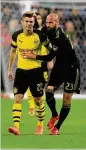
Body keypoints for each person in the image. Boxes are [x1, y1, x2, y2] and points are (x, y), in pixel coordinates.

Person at [21, 13, 80, 135]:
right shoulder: (45, 30)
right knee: (48, 93)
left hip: (71, 68)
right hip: (59, 66)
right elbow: (37, 33)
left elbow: (49, 57)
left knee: (66, 99)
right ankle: (54, 114)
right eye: (47, 22)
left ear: (57, 23)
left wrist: (33, 56)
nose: (48, 25)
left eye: (51, 22)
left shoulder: (61, 38)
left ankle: (57, 127)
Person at [8, 13, 52, 135]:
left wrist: (40, 57)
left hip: (36, 72)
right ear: (22, 22)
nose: (29, 24)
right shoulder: (16, 35)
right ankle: (16, 127)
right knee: (18, 98)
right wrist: (10, 69)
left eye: (31, 22)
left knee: (38, 100)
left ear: (34, 23)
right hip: (21, 71)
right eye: (26, 21)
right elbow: (12, 52)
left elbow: (50, 50)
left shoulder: (40, 35)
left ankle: (40, 124)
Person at [26, 12, 54, 116]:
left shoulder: (45, 32)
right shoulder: (29, 32)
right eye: (35, 18)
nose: (37, 20)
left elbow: (50, 47)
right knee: (29, 83)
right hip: (31, 61)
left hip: (42, 62)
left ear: (41, 20)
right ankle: (31, 106)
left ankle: (40, 105)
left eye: (38, 18)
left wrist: (50, 60)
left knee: (40, 86)